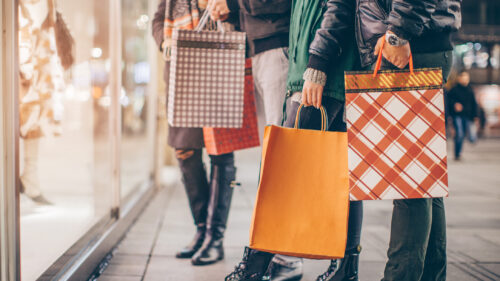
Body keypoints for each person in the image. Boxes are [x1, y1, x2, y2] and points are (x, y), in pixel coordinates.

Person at [222, 0, 363, 280]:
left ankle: (255, 266)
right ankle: (347, 270)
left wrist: (317, 65)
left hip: (323, 72)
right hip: (313, 71)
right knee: (344, 175)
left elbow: (339, 8)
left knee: (282, 169)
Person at [354, 0, 461, 280]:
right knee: (421, 180)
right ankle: (430, 275)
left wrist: (397, 33)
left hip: (413, 42)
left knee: (409, 182)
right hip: (424, 39)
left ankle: (399, 276)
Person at [209, 0, 302, 280]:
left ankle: (288, 257)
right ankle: (278, 253)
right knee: (274, 156)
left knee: (280, 156)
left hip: (277, 48)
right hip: (263, 49)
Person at [152, 1, 236, 266]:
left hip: (219, 71)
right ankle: (201, 229)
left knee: (220, 153)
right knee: (184, 150)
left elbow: (243, 14)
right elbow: (157, 20)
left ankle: (215, 237)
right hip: (181, 74)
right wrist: (163, 40)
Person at [447, 71, 479, 160]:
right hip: (457, 115)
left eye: (466, 77)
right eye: (463, 77)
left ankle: (459, 152)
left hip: (467, 115)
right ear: (459, 78)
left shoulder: (470, 90)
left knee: (464, 134)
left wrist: (475, 116)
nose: (465, 79)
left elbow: (474, 104)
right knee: (459, 134)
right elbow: (448, 101)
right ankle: (457, 154)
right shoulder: (454, 89)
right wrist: (454, 104)